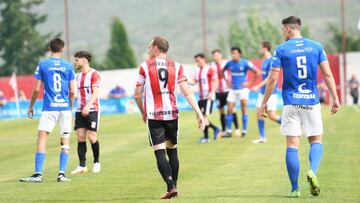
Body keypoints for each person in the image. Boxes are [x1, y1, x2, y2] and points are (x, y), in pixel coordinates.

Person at [260, 16, 340, 198]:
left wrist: (264, 101)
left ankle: (295, 189)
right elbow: (327, 74)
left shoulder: (281, 50)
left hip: (290, 103)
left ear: (288, 29)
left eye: (282, 29)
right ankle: (312, 170)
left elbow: (272, 79)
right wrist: (335, 97)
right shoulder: (317, 46)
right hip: (311, 101)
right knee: (316, 141)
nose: (282, 32)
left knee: (292, 145)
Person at [134, 36, 205, 199]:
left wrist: (143, 112)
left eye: (150, 46)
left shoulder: (145, 66)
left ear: (156, 48)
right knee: (172, 150)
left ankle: (170, 185)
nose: (148, 49)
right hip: (172, 114)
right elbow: (187, 91)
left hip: (154, 115)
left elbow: (137, 95)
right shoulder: (177, 66)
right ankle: (174, 188)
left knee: (159, 152)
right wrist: (199, 113)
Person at [19, 38, 76, 183]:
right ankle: (62, 174)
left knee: (42, 137)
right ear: (62, 49)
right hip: (64, 108)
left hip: (49, 108)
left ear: (50, 48)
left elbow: (37, 89)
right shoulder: (68, 66)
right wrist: (69, 107)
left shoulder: (43, 65)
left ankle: (38, 174)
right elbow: (72, 91)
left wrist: (30, 106)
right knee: (65, 140)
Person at [71, 51, 102, 175]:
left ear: (84, 60)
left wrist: (88, 107)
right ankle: (82, 165)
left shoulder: (94, 74)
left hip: (92, 109)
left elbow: (96, 93)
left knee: (92, 137)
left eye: (77, 59)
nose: (75, 62)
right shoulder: (77, 76)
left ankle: (96, 162)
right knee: (80, 137)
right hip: (79, 110)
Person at [222, 47, 260, 137]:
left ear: (239, 54)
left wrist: (249, 83)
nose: (233, 55)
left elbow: (257, 72)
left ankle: (244, 131)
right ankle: (229, 131)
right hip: (232, 90)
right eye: (232, 53)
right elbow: (222, 71)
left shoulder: (245, 63)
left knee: (244, 109)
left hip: (243, 90)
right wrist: (227, 81)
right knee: (229, 109)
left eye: (235, 53)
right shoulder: (229, 63)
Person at [251, 41, 282, 144]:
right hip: (262, 92)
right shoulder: (264, 61)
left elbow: (270, 77)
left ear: (265, 48)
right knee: (259, 112)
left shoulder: (271, 60)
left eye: (260, 47)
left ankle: (292, 127)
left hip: (271, 91)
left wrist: (257, 86)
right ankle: (262, 137)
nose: (259, 49)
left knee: (271, 115)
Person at [188, 53, 220, 143]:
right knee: (199, 117)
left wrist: (212, 92)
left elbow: (216, 81)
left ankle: (206, 137)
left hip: (208, 97)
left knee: (203, 117)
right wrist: (184, 79)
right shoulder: (198, 70)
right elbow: (194, 81)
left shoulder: (210, 69)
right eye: (196, 61)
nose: (197, 62)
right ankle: (215, 129)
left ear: (203, 59)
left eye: (198, 60)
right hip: (201, 97)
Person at [211, 49, 239, 136]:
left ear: (220, 55)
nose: (214, 57)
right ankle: (224, 130)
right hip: (218, 92)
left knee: (232, 109)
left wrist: (232, 84)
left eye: (216, 55)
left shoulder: (227, 63)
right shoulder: (211, 66)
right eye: (213, 56)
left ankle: (237, 129)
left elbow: (233, 73)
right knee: (221, 111)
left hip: (228, 90)